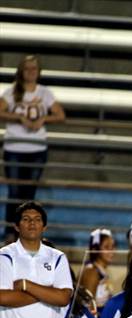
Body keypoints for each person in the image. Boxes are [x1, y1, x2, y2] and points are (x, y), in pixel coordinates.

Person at [0, 55, 65, 242]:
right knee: (14, 193)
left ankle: (26, 234)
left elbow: (60, 115)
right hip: (14, 147)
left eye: (34, 69)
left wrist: (44, 119)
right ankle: (10, 234)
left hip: (36, 149)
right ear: (21, 71)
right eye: (27, 68)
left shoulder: (45, 93)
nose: (31, 72)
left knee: (29, 194)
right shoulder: (12, 92)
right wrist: (18, 118)